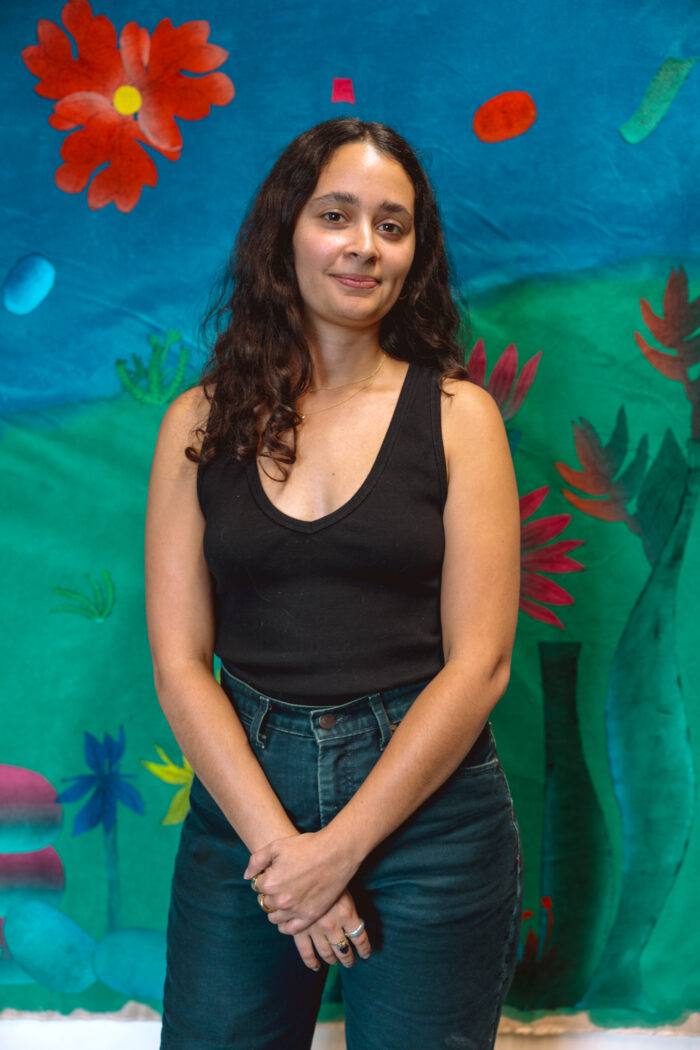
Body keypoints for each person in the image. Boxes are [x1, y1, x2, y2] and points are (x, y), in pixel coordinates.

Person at [145, 117, 522, 1050]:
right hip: (244, 813)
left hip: (432, 821)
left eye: (392, 226)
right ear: (286, 234)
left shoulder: (459, 418)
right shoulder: (193, 425)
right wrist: (286, 861)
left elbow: (480, 666)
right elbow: (181, 663)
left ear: (415, 255)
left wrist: (338, 853)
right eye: (337, 215)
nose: (364, 246)